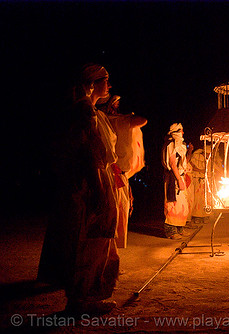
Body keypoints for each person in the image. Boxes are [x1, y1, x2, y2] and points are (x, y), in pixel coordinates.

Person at [38, 63, 120, 314]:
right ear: (93, 83)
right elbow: (89, 152)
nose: (109, 84)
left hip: (91, 179)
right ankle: (81, 298)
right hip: (89, 181)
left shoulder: (90, 110)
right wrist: (98, 188)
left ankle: (86, 294)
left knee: (95, 238)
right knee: (90, 239)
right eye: (105, 79)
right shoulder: (84, 111)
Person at [96, 95, 147, 248]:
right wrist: (124, 117)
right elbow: (142, 120)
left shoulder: (113, 120)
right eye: (115, 104)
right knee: (114, 217)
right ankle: (109, 256)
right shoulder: (115, 121)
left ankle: (112, 255)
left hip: (119, 174)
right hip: (112, 175)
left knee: (118, 216)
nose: (118, 107)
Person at [162, 123, 191, 239]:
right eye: (181, 131)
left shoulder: (179, 145)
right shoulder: (171, 144)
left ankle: (179, 228)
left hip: (180, 176)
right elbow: (173, 163)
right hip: (174, 177)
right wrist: (179, 179)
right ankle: (171, 231)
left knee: (182, 204)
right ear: (177, 132)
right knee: (173, 204)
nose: (183, 133)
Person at [188, 144, 211, 224]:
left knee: (205, 199)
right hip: (197, 180)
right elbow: (191, 165)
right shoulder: (196, 157)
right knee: (197, 199)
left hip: (206, 181)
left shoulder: (210, 159)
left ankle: (205, 215)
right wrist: (200, 171)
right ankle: (197, 216)